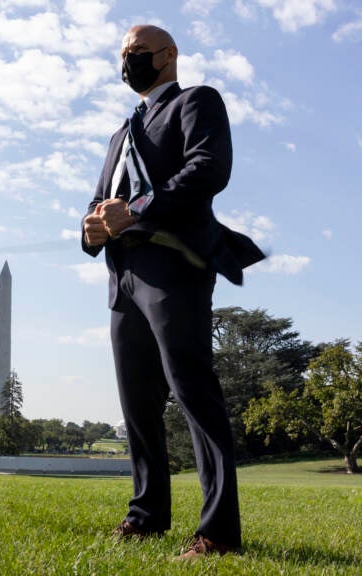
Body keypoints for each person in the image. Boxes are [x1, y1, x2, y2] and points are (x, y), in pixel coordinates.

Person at [82, 25, 264, 559]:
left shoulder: (196, 102)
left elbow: (209, 168)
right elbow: (99, 200)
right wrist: (89, 228)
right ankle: (146, 515)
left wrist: (136, 210)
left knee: (192, 392)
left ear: (167, 55)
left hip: (174, 264)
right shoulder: (121, 132)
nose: (126, 62)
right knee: (137, 402)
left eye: (134, 53)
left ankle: (219, 534)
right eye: (121, 54)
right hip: (123, 277)